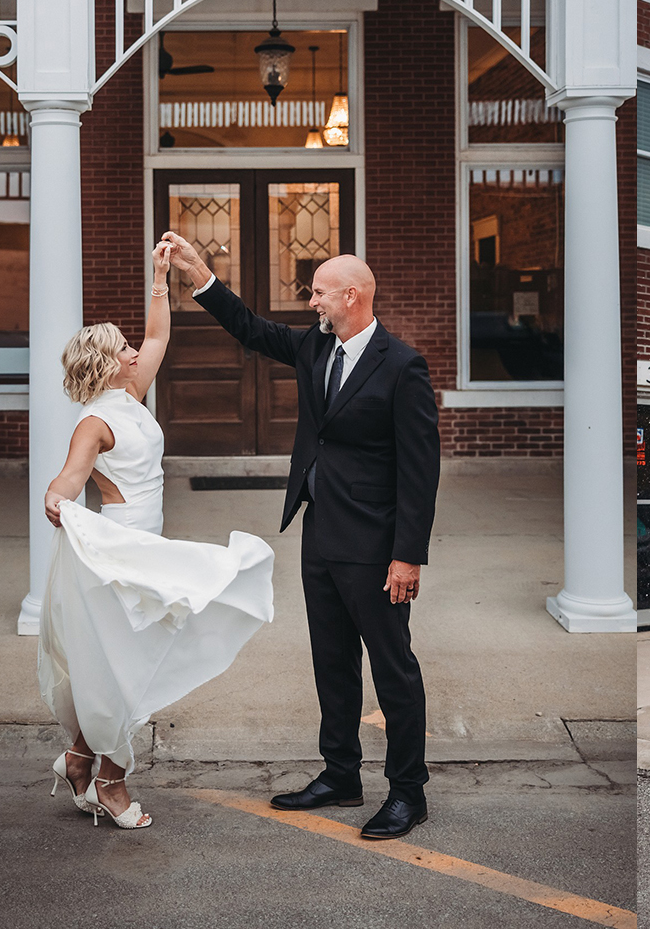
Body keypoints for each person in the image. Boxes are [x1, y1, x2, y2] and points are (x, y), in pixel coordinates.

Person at [163, 231, 441, 841]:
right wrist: (199, 274)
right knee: (331, 660)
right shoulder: (317, 347)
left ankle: (407, 792)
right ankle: (341, 774)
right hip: (320, 533)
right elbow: (252, 329)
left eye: (318, 293)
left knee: (392, 667)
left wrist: (407, 556)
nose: (310, 302)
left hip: (375, 544)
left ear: (352, 296)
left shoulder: (402, 366)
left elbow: (421, 470)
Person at [39, 240, 275, 830]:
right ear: (107, 362)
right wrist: (55, 500)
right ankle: (111, 783)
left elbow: (160, 335)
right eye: (122, 346)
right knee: (124, 664)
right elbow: (68, 480)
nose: (132, 347)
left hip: (148, 541)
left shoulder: (131, 391)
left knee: (123, 658)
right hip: (119, 549)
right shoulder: (94, 422)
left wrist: (159, 276)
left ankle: (78, 759)